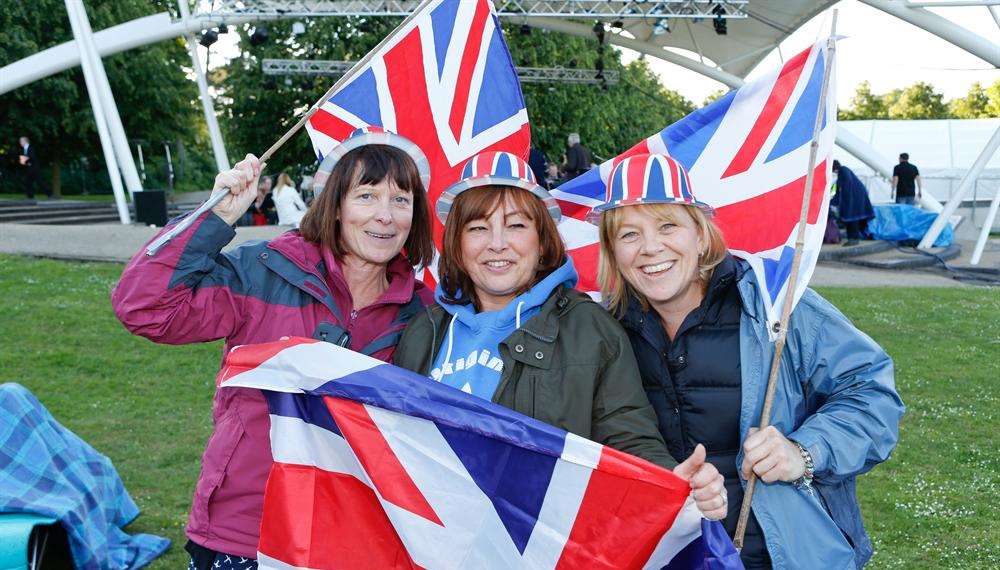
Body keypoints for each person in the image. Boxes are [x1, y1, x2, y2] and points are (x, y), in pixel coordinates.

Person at [111, 128, 436, 569]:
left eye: (401, 200)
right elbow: (145, 307)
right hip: (245, 530)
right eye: (366, 195)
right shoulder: (263, 271)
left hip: (359, 539)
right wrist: (215, 219)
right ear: (335, 205)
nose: (385, 215)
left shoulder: (425, 313)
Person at [594, 153, 904, 569]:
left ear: (701, 235)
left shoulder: (773, 306)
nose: (651, 247)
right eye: (629, 234)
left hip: (781, 555)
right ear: (612, 251)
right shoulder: (606, 332)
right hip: (665, 555)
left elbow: (872, 395)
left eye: (668, 225)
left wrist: (804, 451)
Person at [393, 150, 728, 521]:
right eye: (477, 228)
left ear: (542, 240)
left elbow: (628, 437)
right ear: (456, 244)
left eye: (516, 226)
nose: (497, 243)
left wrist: (671, 481)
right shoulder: (425, 330)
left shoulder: (589, 328)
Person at [831, 160, 875, 247]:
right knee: (852, 218)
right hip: (855, 197)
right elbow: (839, 190)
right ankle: (855, 238)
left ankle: (853, 239)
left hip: (854, 198)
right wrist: (833, 202)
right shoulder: (842, 172)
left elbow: (846, 184)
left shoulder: (843, 170)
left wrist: (842, 200)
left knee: (851, 218)